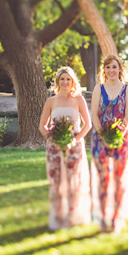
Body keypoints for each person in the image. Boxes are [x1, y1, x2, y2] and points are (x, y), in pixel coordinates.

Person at [39, 66, 92, 231]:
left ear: (72, 81)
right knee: (56, 180)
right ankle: (58, 215)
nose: (65, 82)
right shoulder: (51, 101)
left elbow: (88, 125)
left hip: (74, 146)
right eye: (62, 79)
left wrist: (74, 141)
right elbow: (42, 126)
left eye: (68, 79)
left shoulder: (78, 100)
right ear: (57, 81)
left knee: (72, 180)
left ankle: (72, 215)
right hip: (54, 147)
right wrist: (52, 140)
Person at [91, 55, 128, 233]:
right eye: (108, 67)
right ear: (104, 70)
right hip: (100, 139)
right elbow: (94, 114)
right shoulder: (98, 89)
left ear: (119, 69)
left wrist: (117, 136)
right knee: (103, 179)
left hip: (121, 139)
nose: (111, 70)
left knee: (119, 178)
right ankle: (102, 218)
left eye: (114, 67)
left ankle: (116, 217)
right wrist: (103, 136)